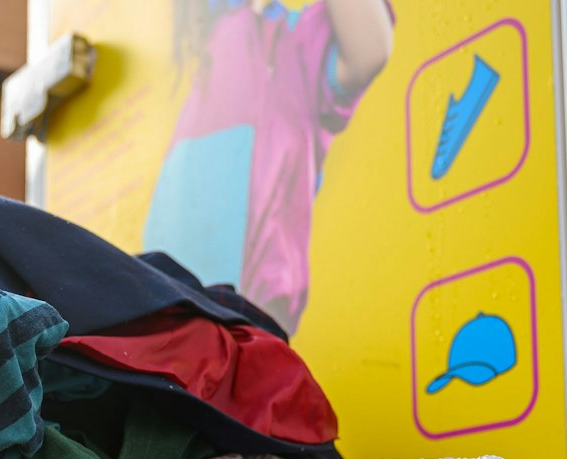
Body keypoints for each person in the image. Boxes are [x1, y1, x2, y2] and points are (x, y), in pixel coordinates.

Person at [144, 0, 394, 335]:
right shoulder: (196, 65)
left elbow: (369, 49)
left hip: (247, 329)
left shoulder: (286, 45)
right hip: (175, 331)